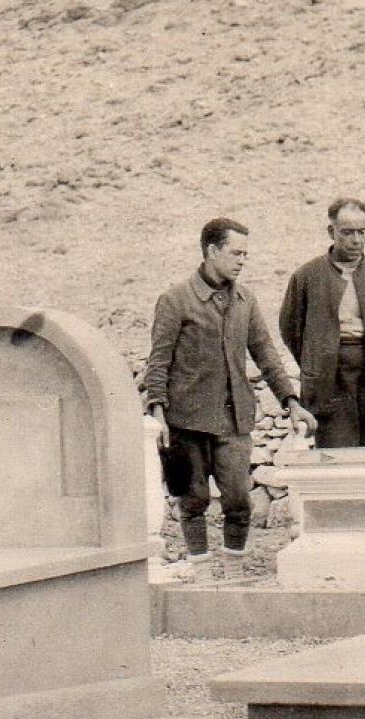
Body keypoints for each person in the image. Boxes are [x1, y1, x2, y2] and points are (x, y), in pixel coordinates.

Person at [143, 217, 316, 565]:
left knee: (239, 500)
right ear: (211, 251)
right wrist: (158, 415)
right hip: (187, 422)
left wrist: (291, 401)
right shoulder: (175, 300)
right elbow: (158, 363)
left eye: (245, 254)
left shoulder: (245, 301)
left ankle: (234, 567)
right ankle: (200, 569)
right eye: (236, 253)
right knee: (193, 501)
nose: (242, 260)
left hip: (235, 420)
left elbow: (265, 353)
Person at [279, 198, 365, 447]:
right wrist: (317, 361)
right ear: (332, 232)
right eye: (347, 232)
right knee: (335, 458)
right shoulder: (307, 276)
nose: (356, 240)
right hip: (329, 382)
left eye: (362, 232)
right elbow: (290, 329)